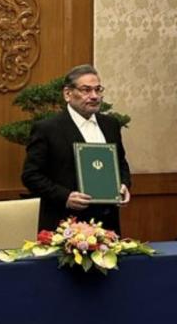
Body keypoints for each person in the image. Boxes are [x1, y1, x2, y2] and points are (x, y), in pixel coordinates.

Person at [21, 64, 131, 233]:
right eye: (86, 90)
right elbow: (31, 175)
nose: (94, 96)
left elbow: (121, 163)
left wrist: (124, 185)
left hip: (107, 225)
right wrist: (65, 196)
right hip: (65, 226)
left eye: (98, 90)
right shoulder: (48, 129)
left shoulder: (110, 125)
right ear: (68, 94)